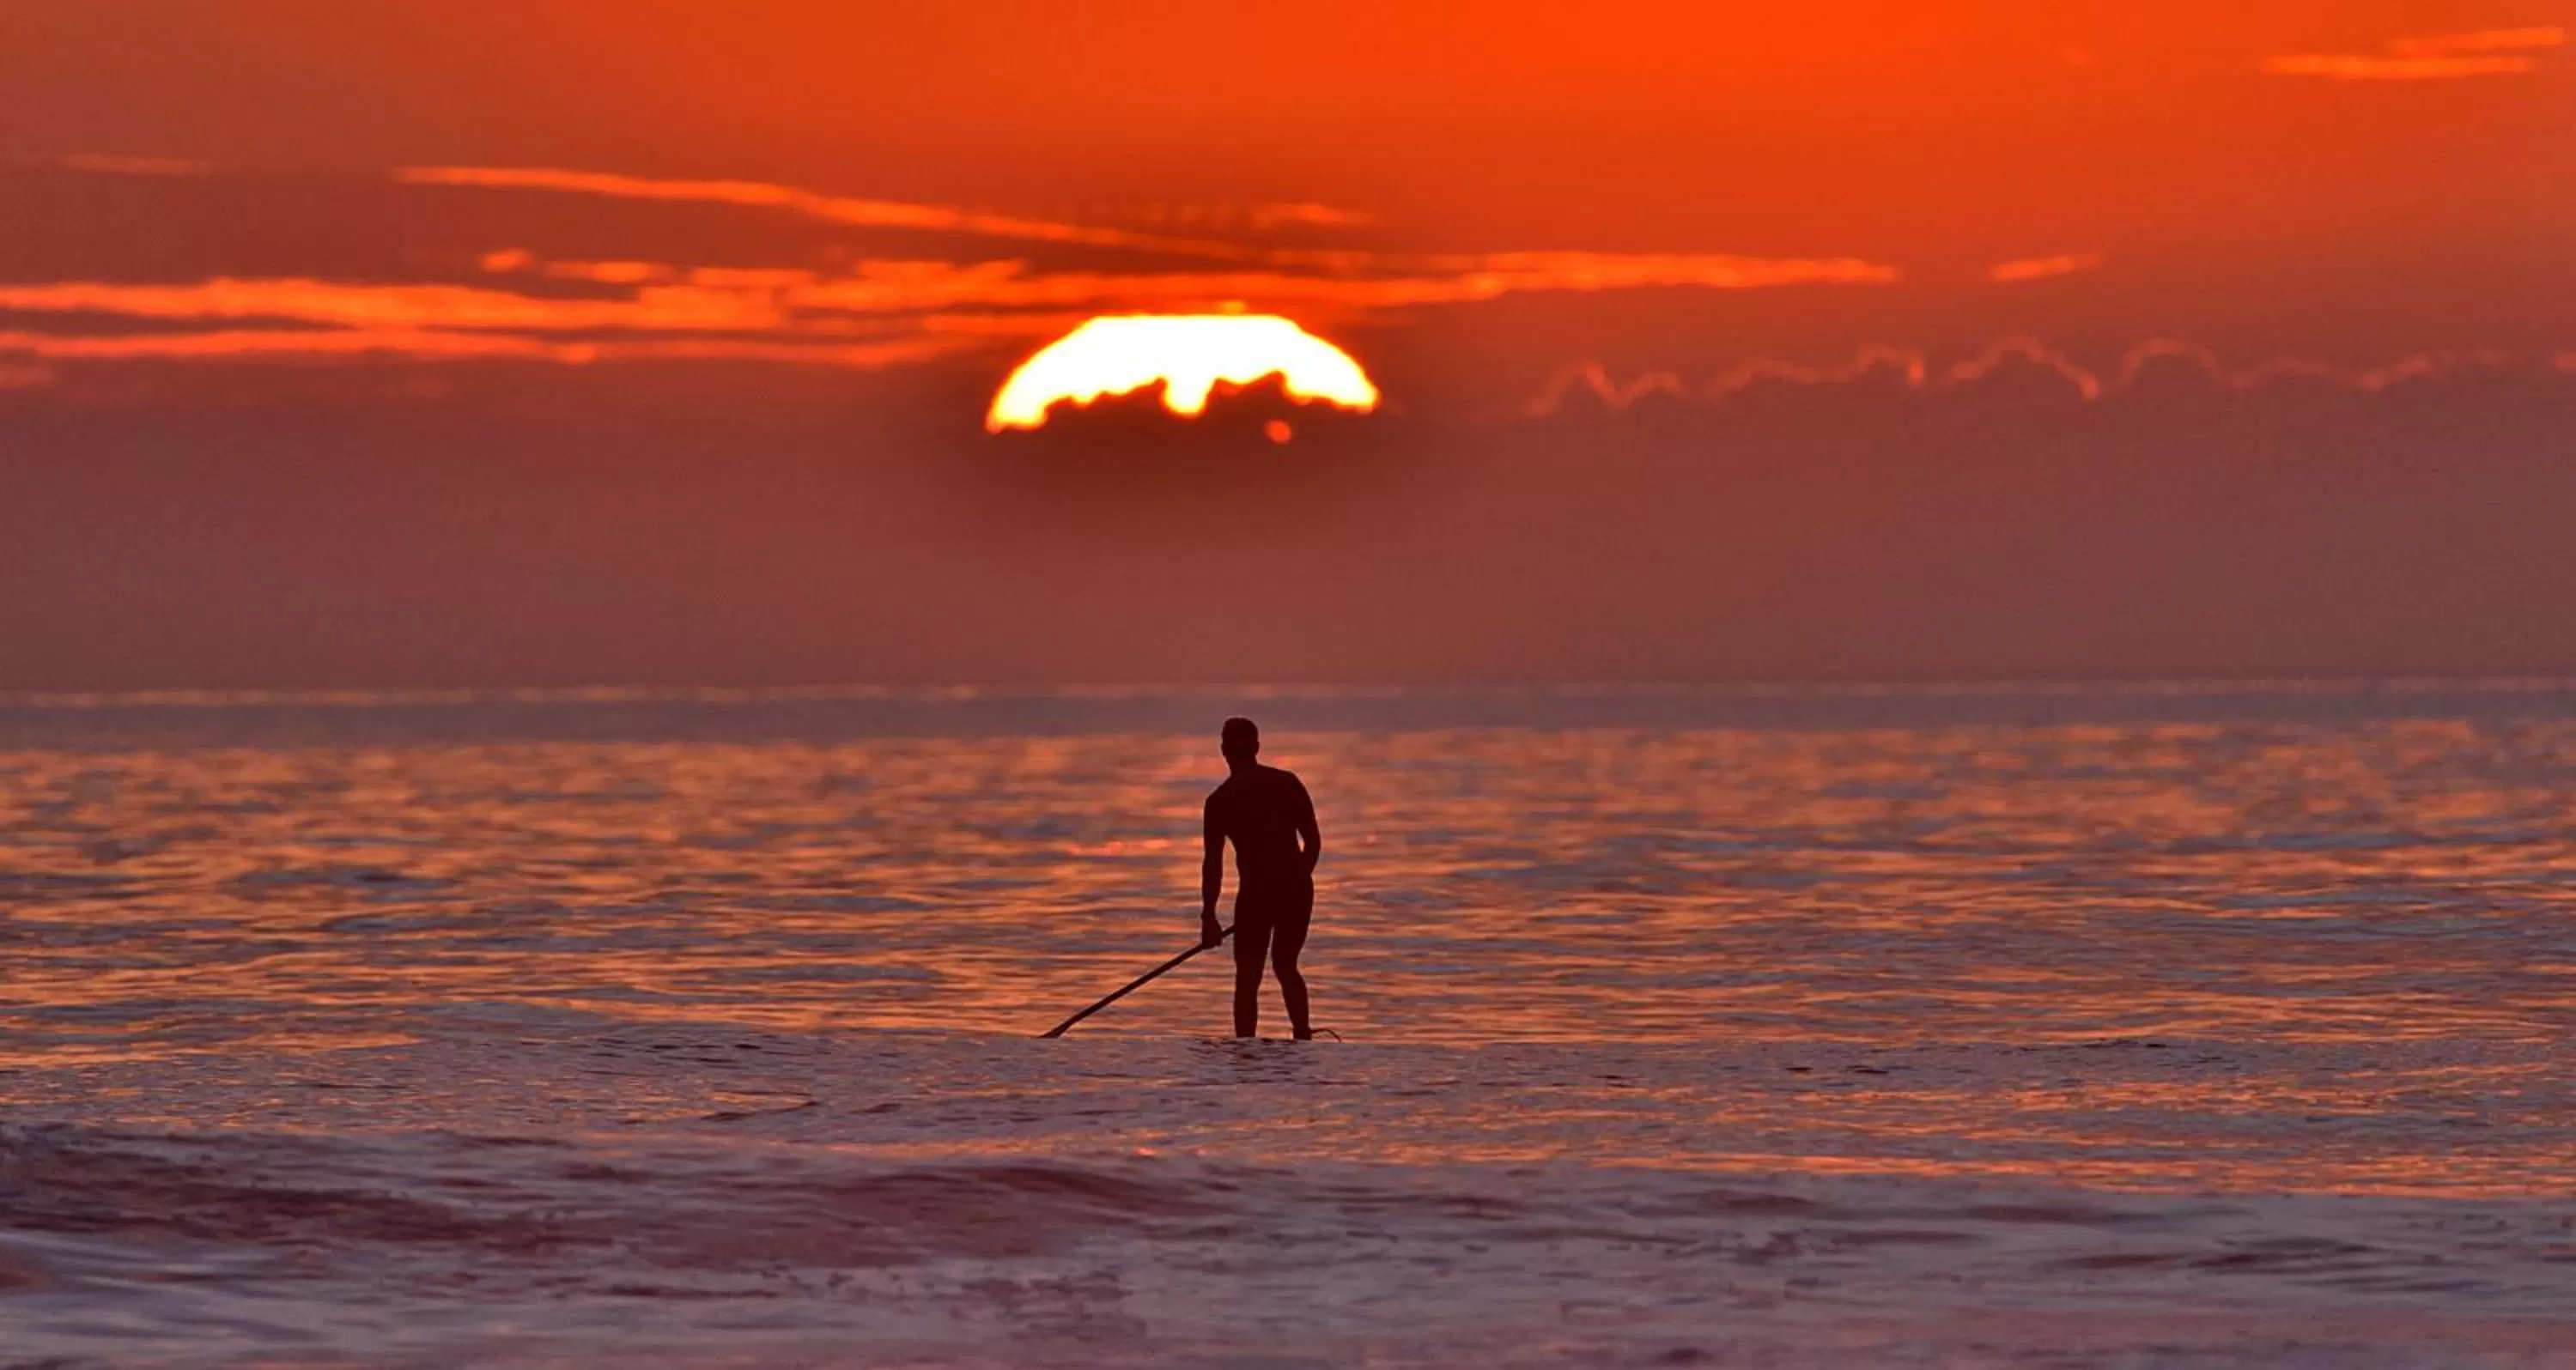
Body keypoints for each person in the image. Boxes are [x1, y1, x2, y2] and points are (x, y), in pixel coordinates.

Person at [1201, 717, 1321, 1040]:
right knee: (1281, 967)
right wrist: (1209, 918)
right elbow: (1313, 844)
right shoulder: (1284, 783)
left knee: (1253, 975)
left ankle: (1251, 1052)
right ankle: (1299, 1039)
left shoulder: (1221, 801)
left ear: (1224, 750)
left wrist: (1209, 916)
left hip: (1271, 894)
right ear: (1256, 748)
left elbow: (1213, 866)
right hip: (1277, 893)